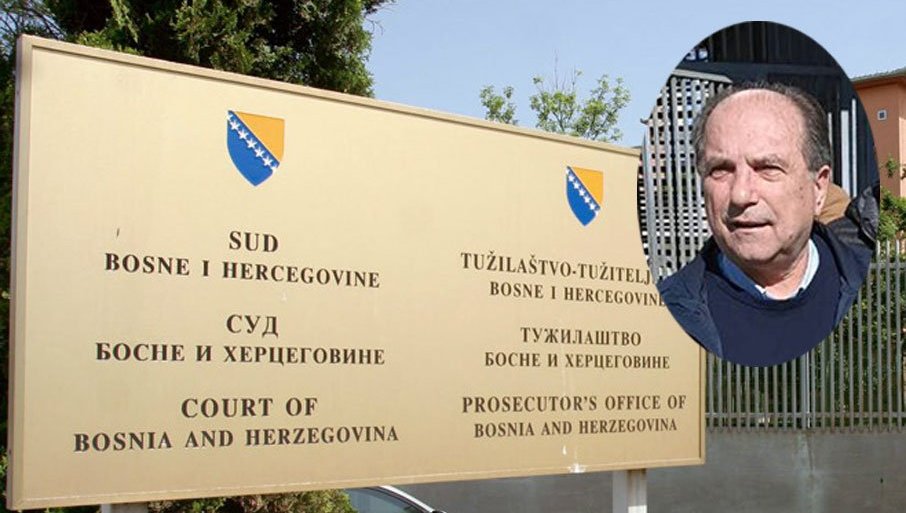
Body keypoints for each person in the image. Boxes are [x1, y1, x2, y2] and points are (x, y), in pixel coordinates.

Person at [657, 82, 875, 366]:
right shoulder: (663, 316)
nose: (741, 194)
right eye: (721, 170)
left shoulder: (879, 288)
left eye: (767, 168)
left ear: (819, 188)